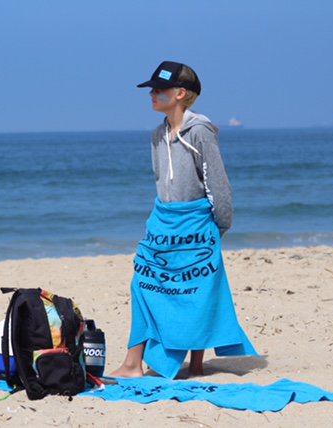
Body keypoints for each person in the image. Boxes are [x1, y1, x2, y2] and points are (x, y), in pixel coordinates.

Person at [109, 61, 257, 379]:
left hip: (197, 224)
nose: (151, 94)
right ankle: (134, 364)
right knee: (142, 284)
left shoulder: (201, 132)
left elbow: (217, 182)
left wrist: (220, 225)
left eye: (158, 89)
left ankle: (198, 364)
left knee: (196, 290)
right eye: (151, 89)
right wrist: (156, 221)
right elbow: (161, 180)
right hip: (163, 223)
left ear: (179, 94)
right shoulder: (156, 136)